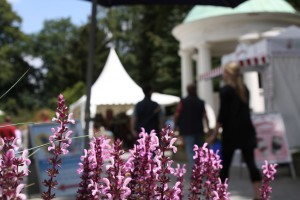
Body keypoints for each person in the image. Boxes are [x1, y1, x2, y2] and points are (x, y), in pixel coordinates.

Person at [208, 62, 261, 200]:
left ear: (228, 74)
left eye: (224, 72)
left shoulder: (225, 90)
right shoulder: (245, 89)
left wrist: (214, 134)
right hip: (247, 131)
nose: (223, 75)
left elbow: (222, 114)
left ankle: (220, 195)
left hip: (231, 132)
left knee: (225, 165)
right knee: (251, 163)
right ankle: (258, 194)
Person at [174, 83, 209, 167]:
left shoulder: (183, 102)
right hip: (199, 129)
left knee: (190, 151)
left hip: (187, 130)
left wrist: (176, 125)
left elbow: (177, 115)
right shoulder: (200, 102)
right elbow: (205, 116)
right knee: (200, 150)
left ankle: (195, 170)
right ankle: (200, 168)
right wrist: (208, 128)